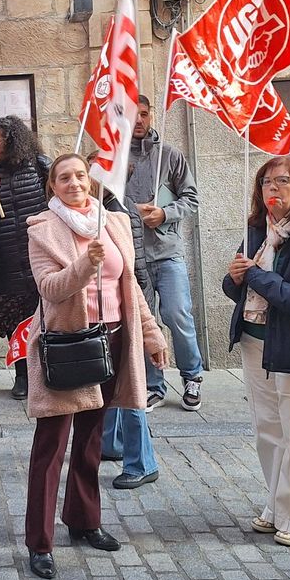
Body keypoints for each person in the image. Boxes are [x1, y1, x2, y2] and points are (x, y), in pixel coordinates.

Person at [23, 153, 167, 580]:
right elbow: (50, 288)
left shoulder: (115, 222)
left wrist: (152, 334)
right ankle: (39, 542)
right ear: (53, 186)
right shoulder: (43, 228)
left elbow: (131, 287)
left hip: (114, 339)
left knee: (91, 439)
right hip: (69, 344)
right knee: (51, 445)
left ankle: (84, 520)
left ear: (91, 180)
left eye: (80, 176)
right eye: (64, 178)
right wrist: (85, 265)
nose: (74, 183)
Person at [224, 155, 290, 546]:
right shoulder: (257, 228)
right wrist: (235, 278)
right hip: (255, 341)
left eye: (283, 181)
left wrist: (253, 274)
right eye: (266, 182)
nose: (273, 188)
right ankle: (277, 506)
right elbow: (237, 287)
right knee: (269, 430)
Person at [122, 96, 203, 412]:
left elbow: (191, 198)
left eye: (144, 114)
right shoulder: (114, 159)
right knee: (144, 322)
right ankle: (153, 384)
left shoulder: (170, 155)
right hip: (132, 254)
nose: (138, 120)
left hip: (167, 252)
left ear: (151, 115)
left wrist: (165, 214)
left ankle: (192, 376)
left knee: (177, 313)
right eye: (133, 115)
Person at [0, 116, 51, 399]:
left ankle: (45, 371)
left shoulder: (39, 165)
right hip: (5, 258)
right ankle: (22, 375)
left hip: (38, 255)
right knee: (15, 321)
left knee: (41, 317)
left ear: (11, 140)